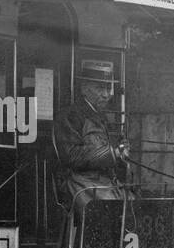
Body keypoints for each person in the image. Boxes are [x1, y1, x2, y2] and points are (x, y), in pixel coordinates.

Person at [53, 60, 128, 216]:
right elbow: (71, 155)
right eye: (100, 88)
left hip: (104, 184)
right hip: (79, 183)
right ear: (84, 88)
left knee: (135, 205)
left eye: (108, 88)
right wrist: (112, 153)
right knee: (112, 211)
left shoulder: (102, 118)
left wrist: (121, 152)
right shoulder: (69, 116)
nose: (106, 94)